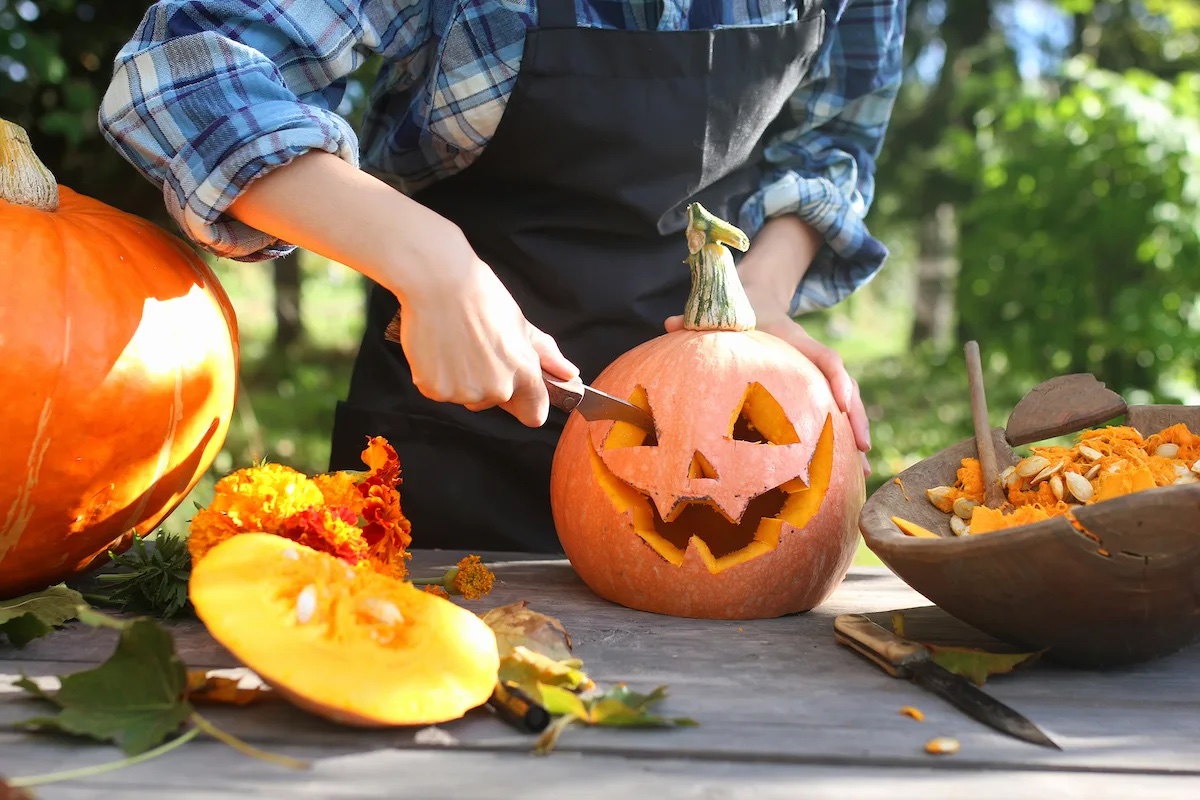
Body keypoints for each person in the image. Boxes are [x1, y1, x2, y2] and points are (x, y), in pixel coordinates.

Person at [100, 0, 906, 554]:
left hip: (718, 386)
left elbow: (833, 137)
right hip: (448, 409)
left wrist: (760, 292)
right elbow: (183, 75)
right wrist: (429, 262)